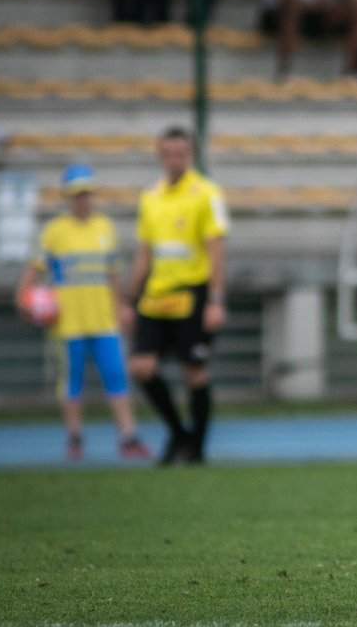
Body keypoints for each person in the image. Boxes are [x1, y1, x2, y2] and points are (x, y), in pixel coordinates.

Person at [15, 165, 151, 462]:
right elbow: (33, 273)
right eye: (77, 194)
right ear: (67, 197)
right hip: (68, 324)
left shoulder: (105, 228)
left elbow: (113, 275)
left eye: (87, 193)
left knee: (117, 377)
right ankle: (75, 438)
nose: (83, 199)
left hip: (104, 321)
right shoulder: (55, 233)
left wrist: (122, 308)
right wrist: (24, 299)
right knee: (71, 382)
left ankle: (128, 437)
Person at [124, 127, 229, 465]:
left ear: (191, 155)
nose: (175, 160)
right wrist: (130, 297)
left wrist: (216, 299)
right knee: (142, 367)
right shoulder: (150, 196)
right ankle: (178, 433)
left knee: (195, 371)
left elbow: (216, 251)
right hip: (156, 295)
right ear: (159, 155)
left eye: (181, 153)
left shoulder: (206, 193)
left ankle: (196, 448)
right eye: (168, 153)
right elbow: (145, 253)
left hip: (192, 293)